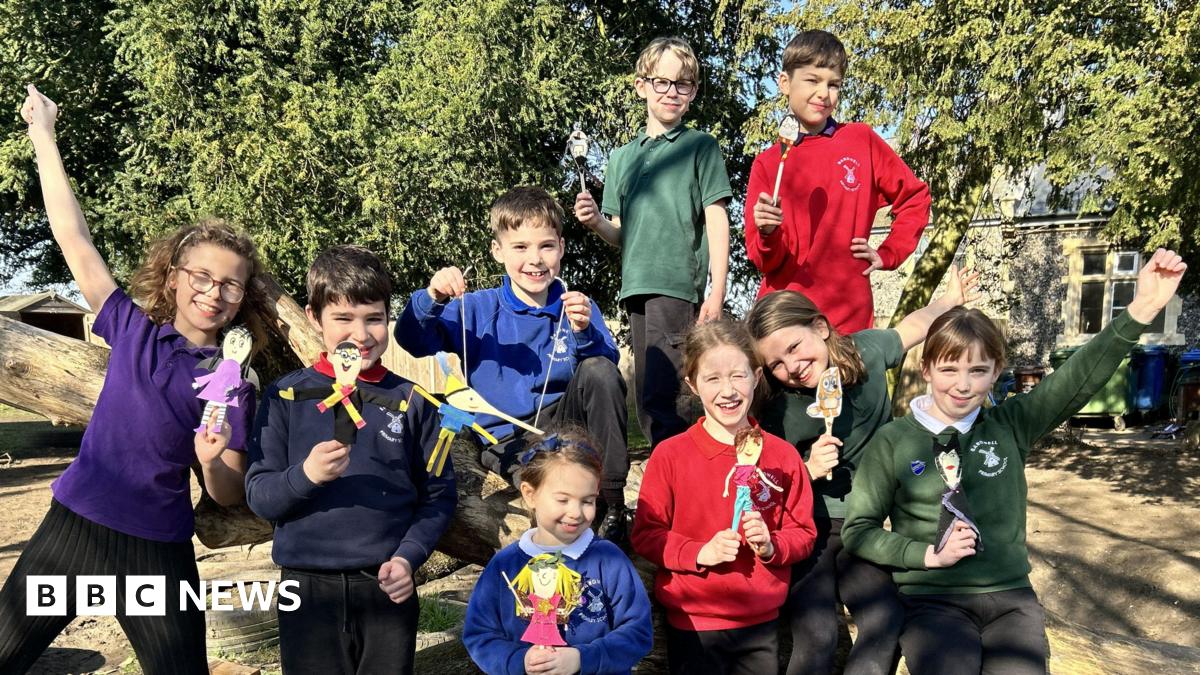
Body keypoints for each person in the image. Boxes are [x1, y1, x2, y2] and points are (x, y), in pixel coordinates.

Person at [0, 85, 268, 674]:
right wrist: (42, 134)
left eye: (230, 284)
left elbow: (227, 493)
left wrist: (214, 458)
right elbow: (74, 238)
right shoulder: (132, 328)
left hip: (158, 550)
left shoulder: (235, 385)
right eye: (201, 275)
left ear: (241, 299)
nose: (212, 291)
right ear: (173, 278)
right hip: (74, 527)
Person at [842, 250, 1186, 674]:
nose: (963, 386)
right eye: (949, 369)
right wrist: (925, 554)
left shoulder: (1010, 424)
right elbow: (859, 530)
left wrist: (1143, 308)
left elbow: (1076, 378)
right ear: (927, 369)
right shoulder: (893, 440)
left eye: (978, 370)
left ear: (995, 371)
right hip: (933, 600)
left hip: (1010, 601)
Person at [748, 268, 978, 675]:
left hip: (865, 528)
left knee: (884, 622)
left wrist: (948, 302)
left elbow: (911, 328)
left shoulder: (866, 351)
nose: (793, 367)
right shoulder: (780, 408)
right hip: (807, 531)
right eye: (777, 364)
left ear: (820, 327)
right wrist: (806, 468)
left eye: (795, 347)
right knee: (818, 634)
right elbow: (766, 477)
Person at [246, 245, 457, 675]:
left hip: (386, 586)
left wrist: (408, 558)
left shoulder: (414, 401)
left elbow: (438, 496)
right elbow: (260, 496)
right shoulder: (286, 396)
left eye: (374, 318)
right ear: (313, 317)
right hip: (305, 588)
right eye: (343, 319)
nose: (360, 334)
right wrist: (306, 475)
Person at [396, 186, 630, 543]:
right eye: (520, 247)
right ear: (497, 250)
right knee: (552, 493)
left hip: (568, 423)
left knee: (598, 368)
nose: (535, 259)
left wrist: (584, 333)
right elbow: (411, 341)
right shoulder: (473, 308)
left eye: (546, 246)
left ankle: (614, 505)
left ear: (562, 248)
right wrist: (431, 296)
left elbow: (606, 374)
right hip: (507, 436)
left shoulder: (577, 305)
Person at [574, 36, 734, 449]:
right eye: (662, 82)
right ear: (641, 85)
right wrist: (595, 224)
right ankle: (669, 485)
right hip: (636, 290)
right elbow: (621, 235)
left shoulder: (700, 147)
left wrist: (716, 292)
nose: (671, 92)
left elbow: (717, 219)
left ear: (693, 92)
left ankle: (684, 492)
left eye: (682, 84)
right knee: (647, 398)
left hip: (677, 287)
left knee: (672, 399)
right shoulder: (621, 158)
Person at [632, 320, 817, 674]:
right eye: (712, 378)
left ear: (757, 376)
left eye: (738, 375)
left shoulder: (782, 456)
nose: (728, 390)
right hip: (693, 623)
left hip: (760, 623)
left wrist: (772, 545)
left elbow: (803, 532)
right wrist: (698, 551)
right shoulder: (671, 456)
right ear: (692, 384)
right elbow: (646, 534)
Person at [745, 29, 931, 334]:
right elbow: (765, 261)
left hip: (848, 322)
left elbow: (915, 198)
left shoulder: (861, 140)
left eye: (834, 85)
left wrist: (888, 253)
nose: (823, 93)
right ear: (784, 83)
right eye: (812, 80)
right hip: (783, 322)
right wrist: (767, 233)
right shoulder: (768, 164)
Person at [463, 430, 652, 674]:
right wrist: (517, 661)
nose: (576, 512)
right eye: (563, 500)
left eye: (587, 501)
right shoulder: (505, 565)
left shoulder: (609, 560)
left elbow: (638, 630)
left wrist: (584, 659)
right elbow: (480, 634)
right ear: (530, 494)